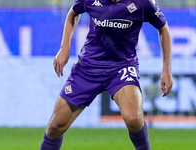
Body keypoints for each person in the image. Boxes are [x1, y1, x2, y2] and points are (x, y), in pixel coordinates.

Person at [40, 0, 174, 149]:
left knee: (134, 118)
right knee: (55, 126)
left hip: (122, 67)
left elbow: (163, 28)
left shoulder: (142, 3)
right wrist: (64, 47)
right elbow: (73, 12)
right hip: (88, 68)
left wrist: (166, 69)